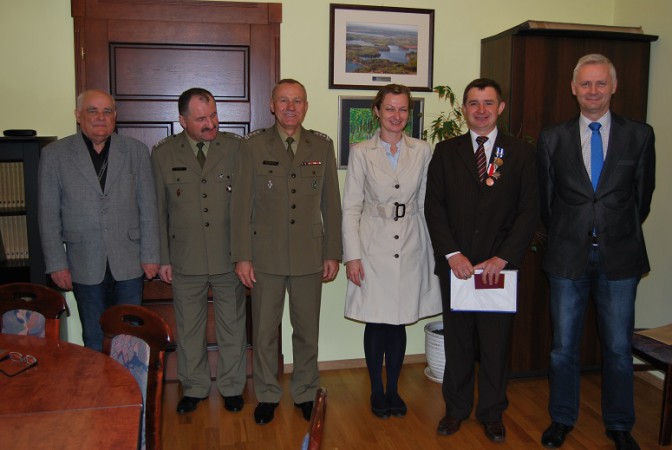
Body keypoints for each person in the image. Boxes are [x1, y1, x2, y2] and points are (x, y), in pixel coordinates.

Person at [537, 54, 655, 450]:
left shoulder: (639, 135)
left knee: (619, 349)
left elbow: (642, 197)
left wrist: (610, 229)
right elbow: (547, 202)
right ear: (574, 88)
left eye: (600, 83)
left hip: (620, 257)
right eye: (585, 83)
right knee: (562, 348)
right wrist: (574, 231)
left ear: (613, 87)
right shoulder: (552, 138)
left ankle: (620, 425)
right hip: (566, 257)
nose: (593, 90)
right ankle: (561, 419)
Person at [424, 78, 539, 443]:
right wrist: (452, 254)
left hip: (497, 269)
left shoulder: (520, 153)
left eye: (489, 103)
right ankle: (455, 410)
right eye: (473, 103)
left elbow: (529, 210)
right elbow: (433, 207)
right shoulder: (446, 151)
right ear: (464, 110)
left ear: (500, 107)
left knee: (494, 345)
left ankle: (491, 413)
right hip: (457, 267)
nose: (481, 110)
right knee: (458, 343)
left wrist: (503, 257)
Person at [231, 79, 342, 425]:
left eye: (297, 101)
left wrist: (332, 252)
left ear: (306, 106)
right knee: (264, 332)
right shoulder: (252, 146)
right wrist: (242, 256)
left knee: (307, 331)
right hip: (265, 256)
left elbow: (331, 204)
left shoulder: (321, 145)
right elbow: (241, 205)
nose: (290, 107)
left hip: (310, 254)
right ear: (272, 105)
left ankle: (306, 391)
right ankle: (267, 394)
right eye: (284, 100)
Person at [342, 84, 442, 419]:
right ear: (377, 111)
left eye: (402, 109)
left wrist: (433, 251)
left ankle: (394, 389)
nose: (396, 116)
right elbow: (351, 207)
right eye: (389, 108)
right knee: (376, 320)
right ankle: (376, 389)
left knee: (398, 321)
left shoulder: (422, 150)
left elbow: (428, 203)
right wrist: (352, 256)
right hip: (372, 245)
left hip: (411, 242)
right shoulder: (361, 152)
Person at [38, 89, 160, 351]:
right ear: (78, 115)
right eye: (92, 111)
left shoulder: (136, 151)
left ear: (115, 116)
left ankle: (127, 380)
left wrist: (151, 254)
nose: (100, 117)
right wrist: (56, 264)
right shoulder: (55, 155)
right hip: (83, 261)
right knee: (93, 338)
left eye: (107, 111)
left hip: (129, 261)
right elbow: (48, 215)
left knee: (130, 337)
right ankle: (97, 380)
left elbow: (148, 207)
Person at [151, 88, 247, 415]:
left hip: (228, 255)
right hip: (185, 256)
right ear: (182, 121)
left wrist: (245, 254)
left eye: (214, 115)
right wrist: (163, 257)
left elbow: (246, 206)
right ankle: (194, 388)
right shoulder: (164, 154)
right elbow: (158, 210)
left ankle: (232, 387)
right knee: (189, 328)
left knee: (232, 326)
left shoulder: (235, 148)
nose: (211, 123)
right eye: (201, 118)